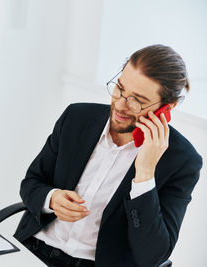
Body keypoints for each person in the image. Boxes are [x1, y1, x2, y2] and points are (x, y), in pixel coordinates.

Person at [14, 44, 203, 267]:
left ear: (166, 108)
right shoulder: (76, 118)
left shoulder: (182, 161)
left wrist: (145, 174)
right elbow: (31, 183)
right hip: (33, 249)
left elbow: (153, 256)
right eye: (120, 88)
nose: (121, 105)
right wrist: (51, 199)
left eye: (138, 100)